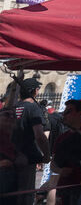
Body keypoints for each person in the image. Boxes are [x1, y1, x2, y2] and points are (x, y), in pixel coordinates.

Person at [10, 77, 51, 205]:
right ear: (34, 91)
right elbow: (39, 135)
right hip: (27, 157)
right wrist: (46, 155)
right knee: (25, 194)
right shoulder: (33, 108)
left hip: (10, 156)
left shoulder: (13, 107)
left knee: (11, 193)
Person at [45, 100, 81, 205]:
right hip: (65, 188)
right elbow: (53, 165)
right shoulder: (62, 138)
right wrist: (60, 170)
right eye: (64, 112)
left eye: (68, 111)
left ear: (80, 113)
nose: (64, 115)